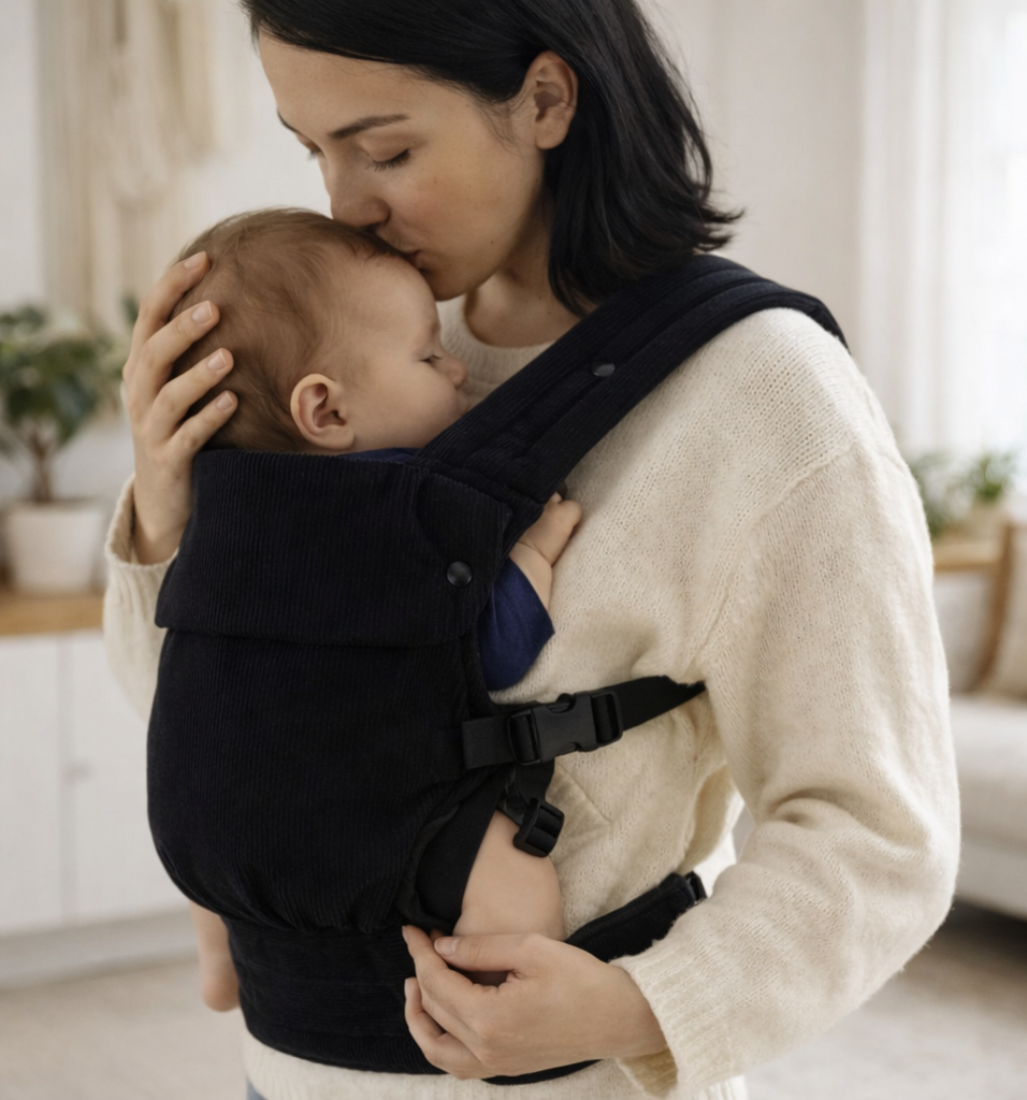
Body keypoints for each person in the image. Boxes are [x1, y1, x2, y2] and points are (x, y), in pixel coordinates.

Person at [104, 1, 960, 1097]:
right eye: (311, 150)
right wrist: (167, 516)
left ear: (546, 99)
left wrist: (641, 1003)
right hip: (284, 1068)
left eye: (385, 148)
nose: (342, 204)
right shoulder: (330, 353)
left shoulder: (766, 399)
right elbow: (217, 727)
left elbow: (877, 829)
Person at [163, 207, 579, 1011]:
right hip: (368, 816)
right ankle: (500, 1005)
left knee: (218, 839)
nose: (457, 370)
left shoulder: (212, 510)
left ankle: (221, 960)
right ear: (327, 411)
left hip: (202, 825)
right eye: (429, 355)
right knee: (514, 871)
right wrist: (533, 552)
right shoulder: (402, 512)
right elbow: (484, 653)